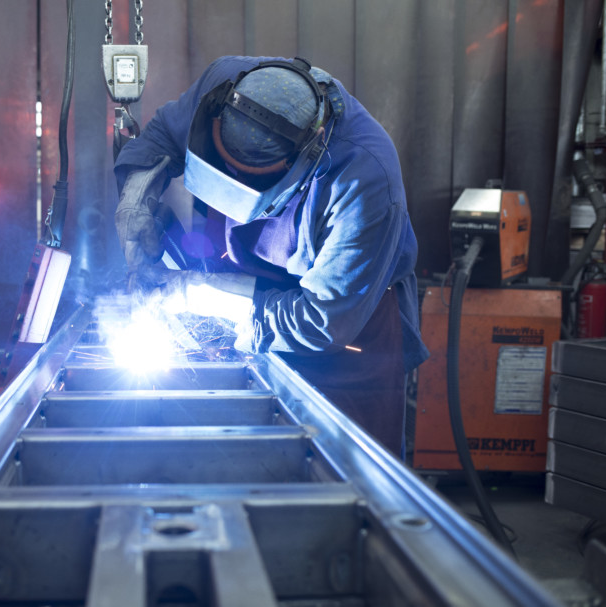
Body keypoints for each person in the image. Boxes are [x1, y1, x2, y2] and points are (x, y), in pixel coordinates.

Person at [113, 55, 429, 454]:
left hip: (344, 326)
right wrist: (136, 202)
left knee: (344, 471)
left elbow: (323, 323)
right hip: (236, 281)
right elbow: (159, 140)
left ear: (302, 165)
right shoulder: (222, 89)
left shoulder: (364, 180)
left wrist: (194, 293)